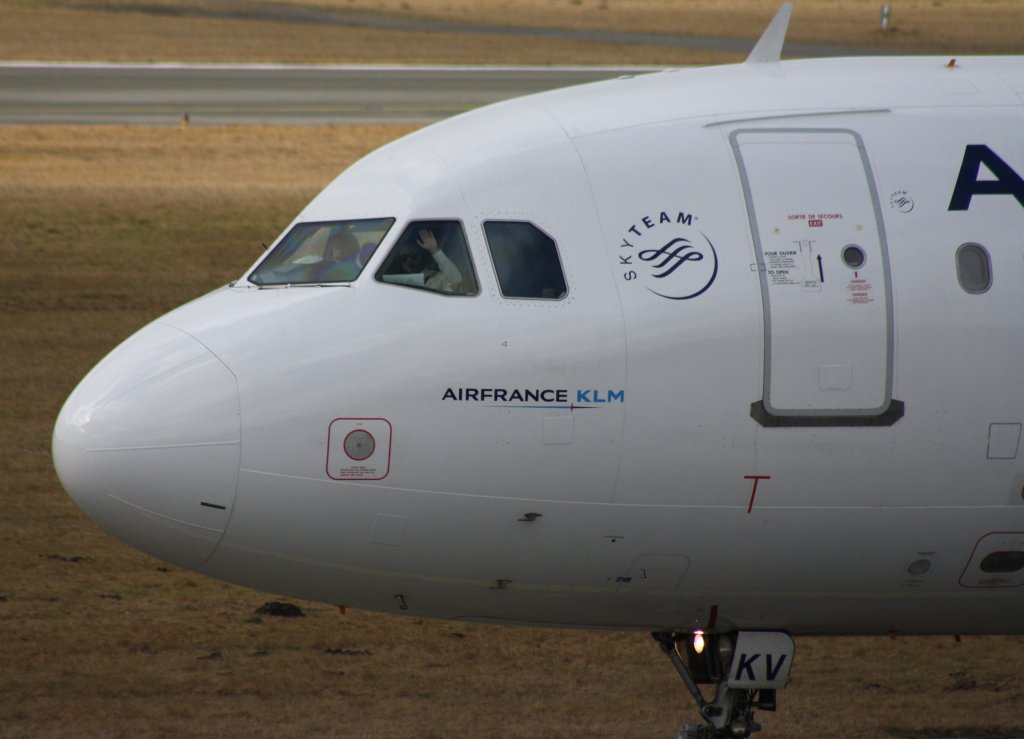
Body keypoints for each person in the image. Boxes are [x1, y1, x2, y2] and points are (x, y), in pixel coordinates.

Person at [388, 228, 462, 293]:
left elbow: (455, 279)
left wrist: (434, 249)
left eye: (413, 256)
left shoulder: (436, 278)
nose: (408, 261)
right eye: (404, 258)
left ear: (422, 256)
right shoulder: (394, 282)